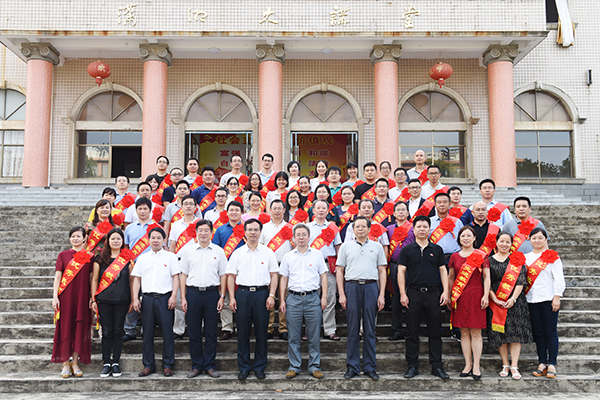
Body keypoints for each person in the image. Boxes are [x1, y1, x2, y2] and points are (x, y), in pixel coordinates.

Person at [398, 215, 450, 381]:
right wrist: (403, 293)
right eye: (418, 226)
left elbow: (443, 271)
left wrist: (445, 291)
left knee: (435, 331)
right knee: (412, 331)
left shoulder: (437, 249)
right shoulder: (407, 250)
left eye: (425, 226)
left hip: (433, 293)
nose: (422, 229)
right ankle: (412, 365)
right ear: (413, 230)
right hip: (413, 294)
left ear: (429, 229)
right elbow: (401, 272)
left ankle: (437, 366)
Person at [227, 219, 279, 380]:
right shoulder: (238, 253)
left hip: (261, 294)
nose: (253, 233)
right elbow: (231, 276)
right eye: (250, 229)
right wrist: (232, 297)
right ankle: (243, 367)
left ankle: (259, 366)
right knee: (242, 332)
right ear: (245, 232)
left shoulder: (268, 252)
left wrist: (271, 295)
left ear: (260, 232)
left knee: (262, 332)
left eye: (256, 230)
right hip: (242, 294)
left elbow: (274, 275)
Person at [336, 216, 387, 380]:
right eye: (357, 227)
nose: (360, 229)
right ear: (353, 230)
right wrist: (341, 293)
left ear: (369, 228)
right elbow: (340, 271)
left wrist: (381, 294)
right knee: (352, 329)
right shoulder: (346, 246)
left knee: (370, 329)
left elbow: (382, 271)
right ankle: (352, 366)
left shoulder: (377, 246)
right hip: (352, 287)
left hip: (371, 287)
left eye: (363, 226)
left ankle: (370, 367)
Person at [179, 219, 228, 378]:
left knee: (211, 331)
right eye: (200, 230)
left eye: (206, 230)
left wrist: (222, 296)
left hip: (211, 294)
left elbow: (223, 275)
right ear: (196, 232)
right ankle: (196, 365)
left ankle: (210, 365)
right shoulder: (188, 251)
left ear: (211, 232)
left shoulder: (218, 251)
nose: (203, 233)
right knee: (194, 331)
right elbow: (183, 275)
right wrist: (183, 297)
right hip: (193, 294)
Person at [279, 223, 328, 379]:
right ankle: (294, 366)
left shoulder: (317, 254)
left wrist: (324, 297)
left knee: (314, 335)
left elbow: (323, 276)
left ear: (309, 237)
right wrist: (282, 300)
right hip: (293, 298)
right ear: (293, 238)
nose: (301, 237)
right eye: (298, 235)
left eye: (304, 234)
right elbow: (283, 279)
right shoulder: (288, 256)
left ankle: (314, 366)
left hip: (313, 298)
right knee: (293, 336)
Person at [132, 227, 180, 377]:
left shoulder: (171, 257)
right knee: (147, 333)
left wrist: (174, 296)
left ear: (164, 240)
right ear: (148, 240)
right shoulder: (143, 258)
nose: (156, 240)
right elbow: (137, 279)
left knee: (167, 333)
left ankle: (168, 364)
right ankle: (148, 365)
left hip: (165, 299)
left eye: (159, 237)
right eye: (153, 237)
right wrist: (135, 298)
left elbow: (176, 277)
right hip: (147, 299)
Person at [487, 231, 533, 380]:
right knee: (501, 334)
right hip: (496, 302)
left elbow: (521, 281)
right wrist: (494, 299)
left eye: (508, 242)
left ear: (512, 244)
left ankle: (514, 365)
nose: (504, 244)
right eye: (501, 241)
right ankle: (505, 364)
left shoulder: (516, 259)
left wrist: (513, 298)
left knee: (515, 334)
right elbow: (487, 282)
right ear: (496, 242)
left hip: (515, 302)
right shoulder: (489, 260)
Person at [447, 226, 490, 380]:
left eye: (468, 235)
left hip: (477, 296)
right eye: (463, 236)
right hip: (460, 297)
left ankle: (476, 365)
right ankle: (468, 364)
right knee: (464, 332)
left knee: (476, 333)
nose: (465, 238)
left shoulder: (481, 255)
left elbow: (487, 277)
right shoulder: (454, 257)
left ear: (474, 238)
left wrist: (486, 295)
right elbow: (451, 277)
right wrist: (449, 295)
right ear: (459, 239)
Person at [91, 228, 133, 378]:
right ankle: (106, 362)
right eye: (113, 238)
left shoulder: (127, 259)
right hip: (104, 300)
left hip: (122, 300)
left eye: (118, 239)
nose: (115, 241)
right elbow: (94, 280)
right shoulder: (99, 259)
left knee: (118, 331)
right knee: (107, 331)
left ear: (123, 241)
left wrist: (133, 299)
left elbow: (131, 280)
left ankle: (115, 362)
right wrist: (93, 299)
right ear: (107, 241)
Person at [51, 227, 92, 378]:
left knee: (79, 327)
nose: (75, 238)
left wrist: (92, 297)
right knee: (65, 327)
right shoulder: (63, 255)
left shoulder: (90, 256)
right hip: (66, 297)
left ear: (84, 238)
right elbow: (58, 277)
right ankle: (65, 362)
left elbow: (91, 279)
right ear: (70, 238)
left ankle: (75, 361)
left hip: (82, 297)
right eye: (73, 236)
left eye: (78, 236)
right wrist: (55, 297)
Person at [525, 228, 565, 379]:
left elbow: (559, 278)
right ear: (529, 240)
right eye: (534, 238)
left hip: (548, 299)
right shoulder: (526, 258)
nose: (537, 241)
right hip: (531, 299)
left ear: (546, 239)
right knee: (538, 333)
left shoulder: (552, 257)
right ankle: (542, 362)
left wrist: (557, 297)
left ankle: (552, 363)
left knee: (550, 332)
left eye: (540, 238)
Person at [309, 199, 342, 341]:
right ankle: (311, 330)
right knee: (311, 299)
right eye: (318, 208)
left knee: (329, 298)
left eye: (324, 208)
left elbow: (338, 247)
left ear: (328, 211)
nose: (321, 210)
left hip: (329, 266)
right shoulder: (307, 227)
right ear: (313, 210)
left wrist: (339, 266)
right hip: (311, 267)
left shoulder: (333, 228)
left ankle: (329, 330)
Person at [122, 197, 155, 342]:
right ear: (136, 211)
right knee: (132, 296)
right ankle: (129, 329)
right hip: (133, 267)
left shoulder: (156, 228)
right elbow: (126, 248)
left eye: (145, 209)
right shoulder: (129, 228)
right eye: (139, 209)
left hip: (152, 267)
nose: (142, 211)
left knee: (148, 299)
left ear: (150, 210)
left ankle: (146, 329)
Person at [212, 201, 245, 340]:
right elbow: (215, 250)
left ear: (241, 212)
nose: (234, 212)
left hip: (243, 269)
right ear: (227, 212)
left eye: (237, 210)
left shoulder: (247, 229)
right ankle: (227, 327)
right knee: (225, 298)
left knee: (242, 299)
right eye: (231, 210)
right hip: (225, 269)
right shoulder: (220, 230)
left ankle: (242, 327)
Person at [259, 199, 291, 340]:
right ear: (270, 210)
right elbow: (260, 248)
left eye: (280, 208)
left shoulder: (290, 227)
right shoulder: (264, 228)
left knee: (284, 298)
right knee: (269, 297)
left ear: (284, 210)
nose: (277, 211)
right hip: (268, 268)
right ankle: (269, 327)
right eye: (274, 208)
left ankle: (283, 328)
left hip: (286, 267)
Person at [386, 201, 415, 340]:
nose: (401, 212)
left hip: (411, 267)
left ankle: (412, 330)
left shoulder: (413, 227)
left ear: (408, 213)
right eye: (398, 210)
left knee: (412, 297)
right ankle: (397, 329)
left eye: (403, 210)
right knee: (396, 298)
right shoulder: (389, 229)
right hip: (394, 266)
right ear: (394, 213)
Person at [430, 193, 464, 260]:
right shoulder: (429, 222)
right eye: (439, 202)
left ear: (449, 204)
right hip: (435, 257)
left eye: (445, 202)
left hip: (454, 257)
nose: (442, 204)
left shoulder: (457, 222)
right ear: (435, 205)